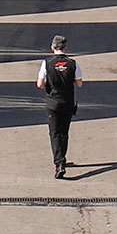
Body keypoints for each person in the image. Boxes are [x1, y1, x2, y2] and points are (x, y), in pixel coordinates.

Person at [35, 34, 79, 178]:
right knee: (64, 132)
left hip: (52, 103)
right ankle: (62, 159)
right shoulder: (73, 63)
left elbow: (39, 84)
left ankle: (59, 163)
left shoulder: (46, 63)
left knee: (54, 133)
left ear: (52, 47)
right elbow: (79, 82)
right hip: (67, 102)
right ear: (65, 47)